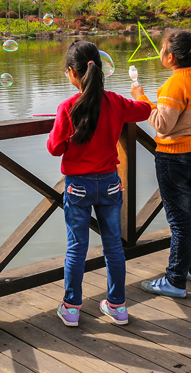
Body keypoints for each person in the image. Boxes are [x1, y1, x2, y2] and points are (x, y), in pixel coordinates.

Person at [48, 41, 152, 327]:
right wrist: (139, 94)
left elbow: (55, 148)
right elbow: (145, 111)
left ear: (72, 72)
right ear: (100, 69)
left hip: (78, 187)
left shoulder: (67, 107)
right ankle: (117, 306)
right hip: (109, 183)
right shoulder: (116, 102)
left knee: (76, 248)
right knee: (114, 247)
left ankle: (71, 308)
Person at [130, 31, 191, 298]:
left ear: (170, 57)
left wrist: (142, 99)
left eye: (162, 48)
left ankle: (175, 280)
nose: (160, 51)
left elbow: (162, 124)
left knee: (180, 222)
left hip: (174, 159)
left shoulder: (173, 86)